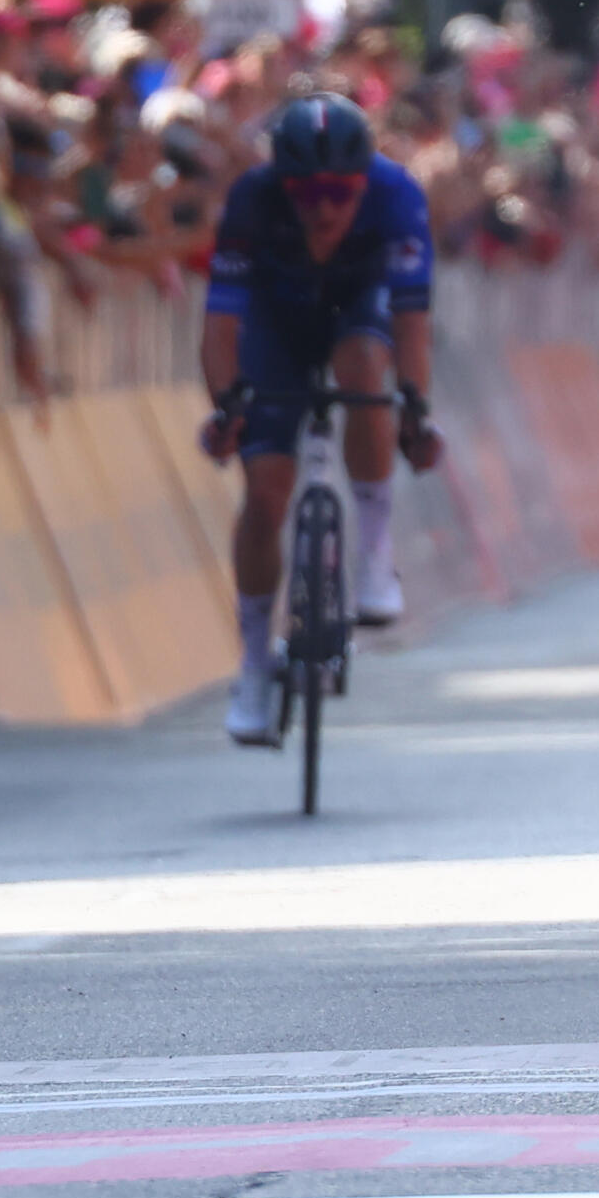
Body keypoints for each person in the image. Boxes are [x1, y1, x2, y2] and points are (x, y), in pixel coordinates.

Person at [200, 95, 444, 746]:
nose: (325, 207)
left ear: (364, 182)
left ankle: (373, 553)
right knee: (265, 492)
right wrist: (227, 407)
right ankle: (253, 667)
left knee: (367, 365)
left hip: (353, 313)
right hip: (276, 327)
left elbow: (411, 327)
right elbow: (220, 330)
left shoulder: (397, 197)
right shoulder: (252, 199)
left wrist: (416, 410)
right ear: (284, 184)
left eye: (340, 191)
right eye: (307, 193)